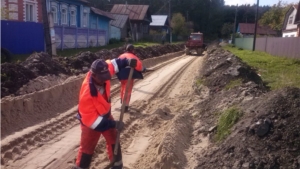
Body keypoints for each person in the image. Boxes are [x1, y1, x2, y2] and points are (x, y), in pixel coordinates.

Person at [74, 57, 137, 169]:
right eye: (101, 79)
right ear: (93, 75)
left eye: (106, 77)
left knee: (113, 138)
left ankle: (117, 165)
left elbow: (115, 63)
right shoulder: (87, 94)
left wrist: (127, 62)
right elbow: (93, 122)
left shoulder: (103, 69)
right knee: (87, 148)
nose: (104, 80)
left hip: (106, 115)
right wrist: (113, 124)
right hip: (90, 123)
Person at [116, 44, 147, 112]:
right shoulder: (133, 56)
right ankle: (125, 106)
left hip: (121, 75)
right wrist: (143, 69)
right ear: (132, 50)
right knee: (127, 90)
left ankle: (122, 102)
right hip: (128, 75)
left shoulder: (121, 56)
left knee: (123, 88)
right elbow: (139, 67)